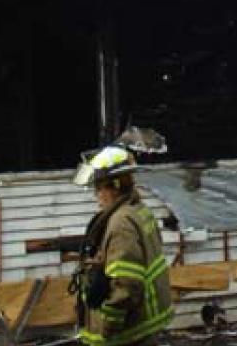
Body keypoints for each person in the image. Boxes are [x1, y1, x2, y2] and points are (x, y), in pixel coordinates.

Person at [71, 145, 173, 346]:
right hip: (144, 326)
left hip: (128, 333)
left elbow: (126, 284)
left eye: (99, 187)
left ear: (115, 186)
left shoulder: (121, 224)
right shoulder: (138, 210)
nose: (96, 195)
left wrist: (108, 327)